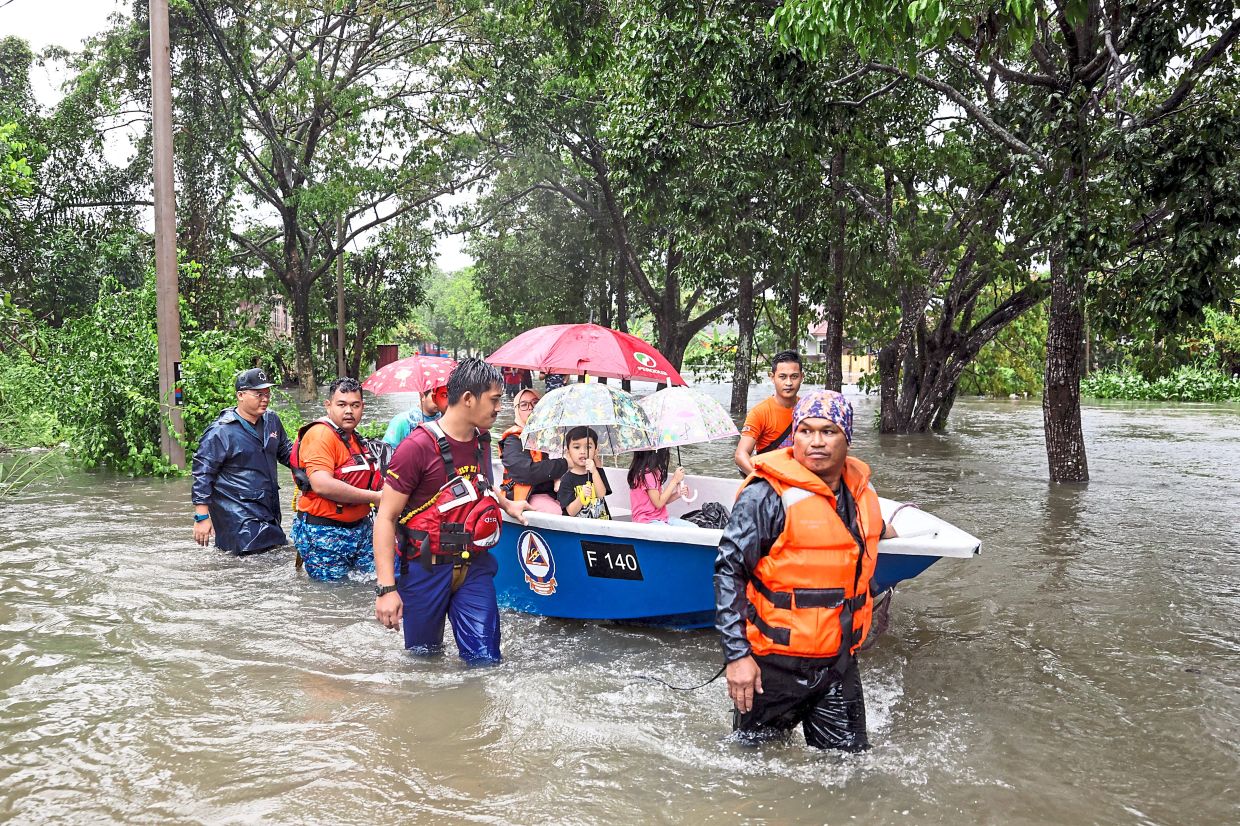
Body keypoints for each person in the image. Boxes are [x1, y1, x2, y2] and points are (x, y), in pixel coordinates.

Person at [715, 389, 899, 751]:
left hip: (837, 664)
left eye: (828, 432)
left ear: (847, 438)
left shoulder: (861, 494)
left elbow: (862, 551)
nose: (816, 442)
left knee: (851, 773)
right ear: (793, 435)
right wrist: (737, 657)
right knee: (753, 771)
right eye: (806, 430)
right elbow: (728, 572)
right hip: (772, 668)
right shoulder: (765, 496)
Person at [372, 358, 530, 665]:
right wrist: (386, 588)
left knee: (486, 661)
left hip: (475, 565)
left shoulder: (482, 440)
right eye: (495, 400)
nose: (500, 408)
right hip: (424, 569)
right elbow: (386, 517)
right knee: (423, 661)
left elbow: (478, 486)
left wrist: (507, 503)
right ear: (469, 398)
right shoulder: (416, 447)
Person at [289, 377, 385, 581]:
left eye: (355, 405)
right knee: (332, 595)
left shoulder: (355, 438)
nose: (348, 411)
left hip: (361, 529)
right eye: (342, 404)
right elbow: (321, 484)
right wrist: (376, 497)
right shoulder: (321, 435)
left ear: (362, 407)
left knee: (379, 580)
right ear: (328, 405)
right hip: (324, 533)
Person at [191, 368, 293, 554]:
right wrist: (201, 516)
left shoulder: (271, 420)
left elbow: (287, 452)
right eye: (258, 394)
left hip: (268, 509)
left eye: (267, 393)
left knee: (276, 553)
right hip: (237, 515)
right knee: (248, 563)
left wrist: (314, 467)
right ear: (240, 395)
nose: (265, 398)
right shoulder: (221, 431)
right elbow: (203, 474)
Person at [734, 350, 804, 476]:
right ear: (772, 377)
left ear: (802, 377)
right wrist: (762, 479)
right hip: (770, 476)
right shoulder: (759, 412)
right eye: (782, 377)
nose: (788, 383)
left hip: (801, 476)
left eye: (794, 376)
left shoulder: (807, 409)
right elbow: (741, 454)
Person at [499, 387, 568, 514]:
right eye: (524, 405)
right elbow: (526, 472)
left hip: (557, 493)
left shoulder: (553, 435)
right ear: (517, 411)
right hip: (529, 497)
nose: (530, 408)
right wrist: (565, 463)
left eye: (535, 403)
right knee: (556, 512)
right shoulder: (513, 440)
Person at [627, 448, 694, 526]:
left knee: (693, 528)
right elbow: (658, 503)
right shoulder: (646, 474)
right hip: (646, 521)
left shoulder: (655, 472)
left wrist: (677, 494)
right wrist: (674, 481)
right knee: (676, 533)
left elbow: (662, 500)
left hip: (661, 518)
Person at [556, 427, 612, 519]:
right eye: (577, 447)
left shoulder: (597, 471)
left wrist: (594, 472)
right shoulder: (566, 479)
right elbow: (571, 512)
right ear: (568, 452)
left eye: (588, 447)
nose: (583, 452)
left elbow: (601, 494)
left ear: (595, 450)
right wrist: (581, 496)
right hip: (581, 529)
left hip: (603, 526)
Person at [382, 385, 448, 448]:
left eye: (444, 396)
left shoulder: (446, 419)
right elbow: (388, 450)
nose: (440, 401)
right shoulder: (403, 421)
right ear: (422, 396)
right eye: (434, 396)